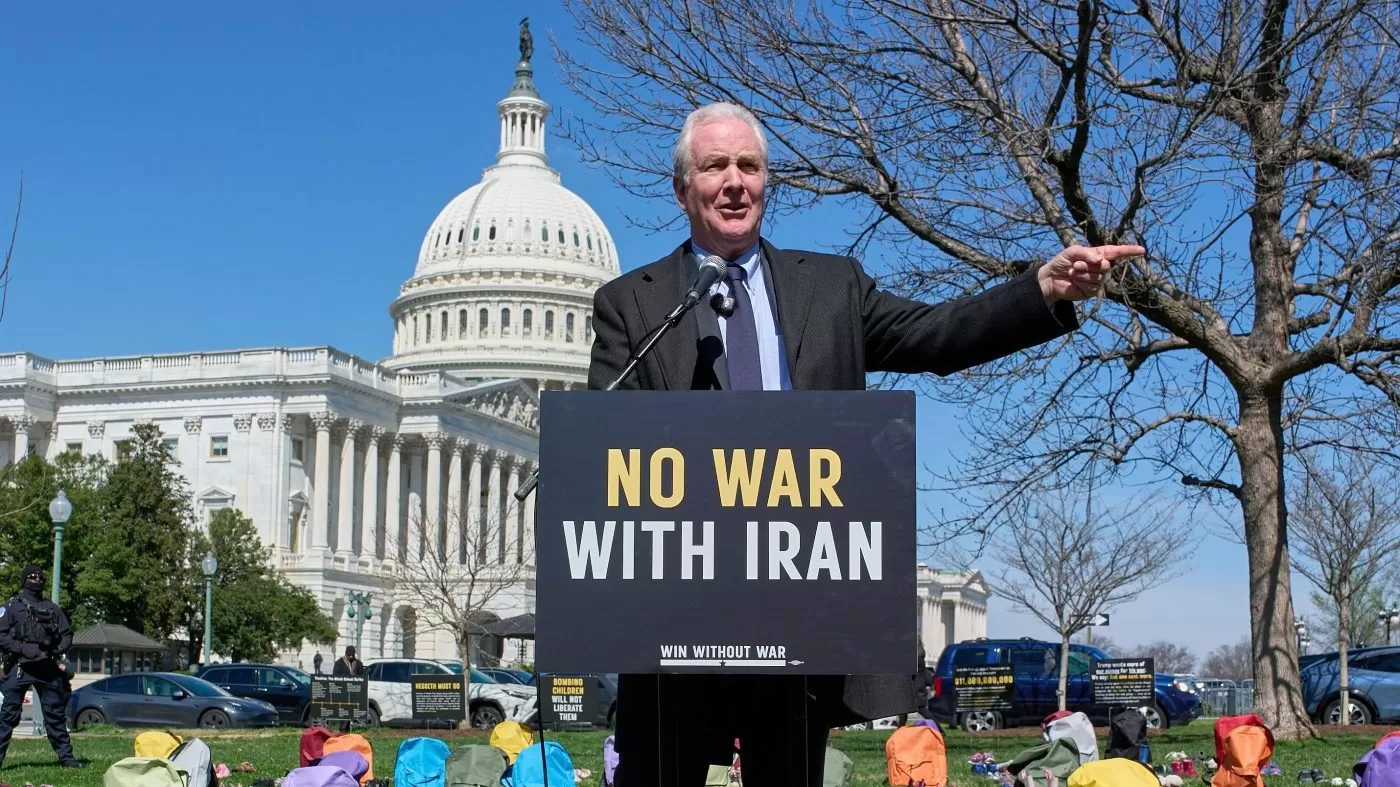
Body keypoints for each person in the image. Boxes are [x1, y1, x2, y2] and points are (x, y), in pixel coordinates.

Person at [587, 101, 1144, 787]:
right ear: (682, 189)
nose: (735, 182)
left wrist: (1042, 289)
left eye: (749, 166)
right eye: (715, 166)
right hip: (679, 613)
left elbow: (936, 335)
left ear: (766, 181)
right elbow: (606, 446)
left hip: (796, 600)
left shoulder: (832, 287)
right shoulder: (632, 304)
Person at [0, 565, 81, 769]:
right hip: (20, 666)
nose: (37, 579)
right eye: (32, 576)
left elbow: (67, 635)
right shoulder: (11, 606)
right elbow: (1, 635)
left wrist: (56, 649)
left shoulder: (52, 608)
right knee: (8, 715)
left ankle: (67, 758)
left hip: (47, 667)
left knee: (54, 715)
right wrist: (23, 648)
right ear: (24, 580)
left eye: (40, 576)